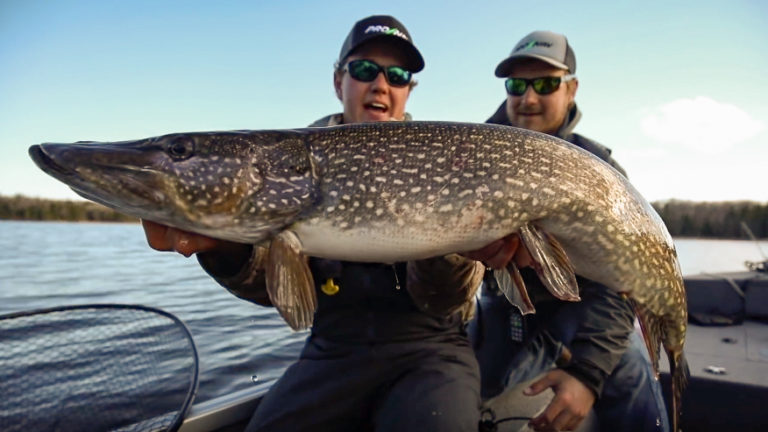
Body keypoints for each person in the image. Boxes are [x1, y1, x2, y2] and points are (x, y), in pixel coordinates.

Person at [142, 15, 487, 431]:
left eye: (397, 75)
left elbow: (449, 299)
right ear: (339, 81)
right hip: (334, 349)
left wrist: (452, 244)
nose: (380, 84)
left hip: (431, 350)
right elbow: (272, 290)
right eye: (364, 70)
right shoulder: (286, 160)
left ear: (407, 91)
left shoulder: (447, 160)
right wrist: (225, 248)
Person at [466, 31, 671, 432]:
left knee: (631, 371)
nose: (527, 98)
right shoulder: (476, 152)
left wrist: (588, 374)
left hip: (579, 310)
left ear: (571, 88)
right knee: (467, 391)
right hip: (502, 309)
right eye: (516, 84)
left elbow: (620, 284)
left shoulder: (598, 166)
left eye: (544, 84)